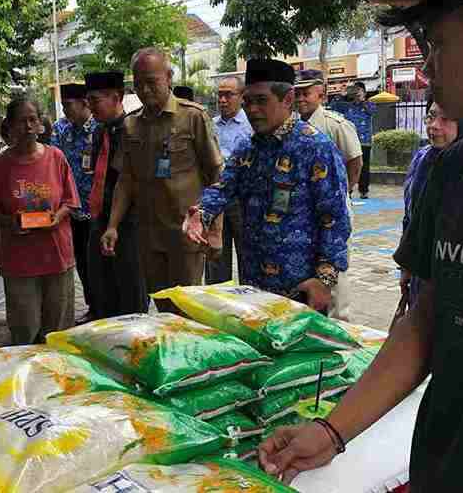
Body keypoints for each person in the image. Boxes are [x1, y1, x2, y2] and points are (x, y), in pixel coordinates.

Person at [258, 0, 463, 490]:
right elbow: (424, 321)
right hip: (442, 467)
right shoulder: (453, 172)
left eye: (436, 43)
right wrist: (332, 432)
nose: (425, 67)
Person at [186, 59, 351, 313]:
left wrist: (324, 281)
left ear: (287, 99)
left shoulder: (316, 148)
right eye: (248, 102)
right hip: (254, 289)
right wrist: (202, 214)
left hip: (301, 291)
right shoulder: (248, 149)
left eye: (261, 101)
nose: (252, 110)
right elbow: (223, 188)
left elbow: (334, 219)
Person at [102, 47, 223, 306]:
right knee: (162, 305)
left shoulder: (193, 117)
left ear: (168, 77)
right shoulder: (130, 124)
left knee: (188, 309)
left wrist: (215, 231)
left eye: (151, 82)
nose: (145, 90)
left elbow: (216, 176)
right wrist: (112, 225)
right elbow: (126, 179)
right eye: (138, 84)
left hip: (186, 233)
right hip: (148, 236)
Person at [0, 98, 79, 345]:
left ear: (40, 125)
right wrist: (8, 222)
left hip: (56, 255)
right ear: (10, 126)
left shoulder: (56, 158)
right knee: (24, 327)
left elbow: (70, 200)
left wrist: (58, 217)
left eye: (32, 120)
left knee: (58, 329)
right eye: (20, 121)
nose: (27, 126)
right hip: (19, 260)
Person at [399, 100, 463, 309]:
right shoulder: (423, 159)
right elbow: (411, 217)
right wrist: (407, 265)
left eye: (445, 119)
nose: (434, 125)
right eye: (431, 116)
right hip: (422, 275)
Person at [295, 69, 363, 321]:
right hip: (305, 210)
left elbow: (354, 160)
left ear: (321, 94)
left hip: (334, 208)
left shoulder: (335, 124)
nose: (301, 98)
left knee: (336, 267)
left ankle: (340, 324)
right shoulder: (291, 125)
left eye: (306, 93)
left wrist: (344, 193)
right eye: (297, 93)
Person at [86, 71, 147, 319]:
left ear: (116, 97)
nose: (90, 107)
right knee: (101, 285)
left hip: (129, 222)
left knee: (130, 289)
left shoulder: (133, 131)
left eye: (95, 100)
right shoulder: (100, 132)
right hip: (100, 217)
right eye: (88, 101)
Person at [51, 83, 98, 321]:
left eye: (68, 105)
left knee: (99, 262)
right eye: (63, 105)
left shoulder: (99, 127)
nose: (65, 110)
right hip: (71, 210)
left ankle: (105, 307)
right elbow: (53, 162)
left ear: (84, 103)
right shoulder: (61, 129)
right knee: (81, 262)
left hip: (98, 210)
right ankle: (92, 306)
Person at [206, 76, 253, 284]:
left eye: (228, 95)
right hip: (216, 200)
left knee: (248, 256)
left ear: (242, 97)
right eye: (220, 95)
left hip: (244, 200)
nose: (222, 100)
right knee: (215, 258)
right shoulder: (209, 125)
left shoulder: (252, 125)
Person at [333, 81, 377, 198]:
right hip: (349, 140)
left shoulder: (369, 104)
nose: (356, 93)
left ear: (364, 92)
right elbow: (333, 106)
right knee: (348, 165)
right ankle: (349, 190)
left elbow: (372, 110)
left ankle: (364, 191)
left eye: (359, 90)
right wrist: (342, 95)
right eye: (355, 90)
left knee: (364, 167)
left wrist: (362, 99)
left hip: (364, 141)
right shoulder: (347, 105)